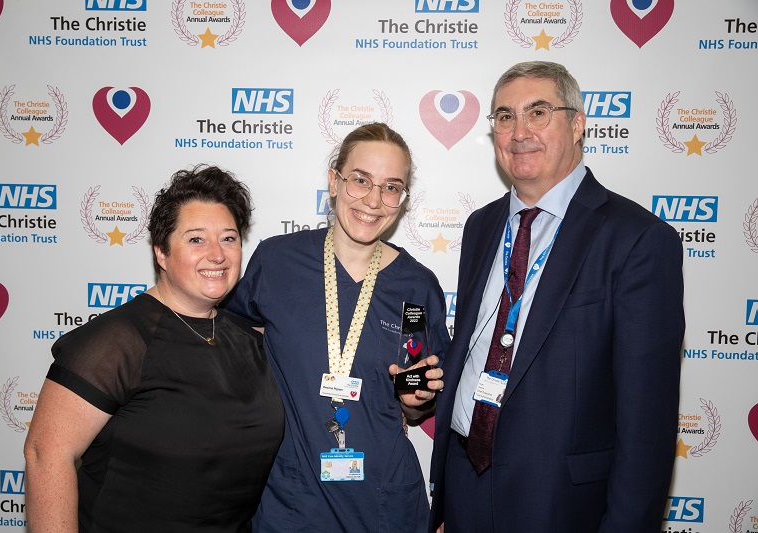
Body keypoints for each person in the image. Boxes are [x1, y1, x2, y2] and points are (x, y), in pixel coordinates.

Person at [429, 61, 684, 532]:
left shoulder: (638, 240)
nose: (519, 131)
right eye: (504, 117)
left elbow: (646, 426)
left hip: (562, 504)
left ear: (578, 123)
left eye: (538, 112)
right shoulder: (481, 226)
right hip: (464, 482)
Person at [23, 165, 284, 532]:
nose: (217, 254)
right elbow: (46, 455)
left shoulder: (249, 339)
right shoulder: (116, 341)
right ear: (161, 252)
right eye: (196, 240)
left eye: (229, 238)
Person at [225, 122, 450, 532]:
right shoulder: (277, 262)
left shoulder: (416, 286)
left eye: (391, 187)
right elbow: (232, 344)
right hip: (293, 500)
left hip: (385, 501)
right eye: (360, 180)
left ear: (402, 199)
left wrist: (417, 401)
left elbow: (416, 402)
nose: (373, 200)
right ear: (334, 181)